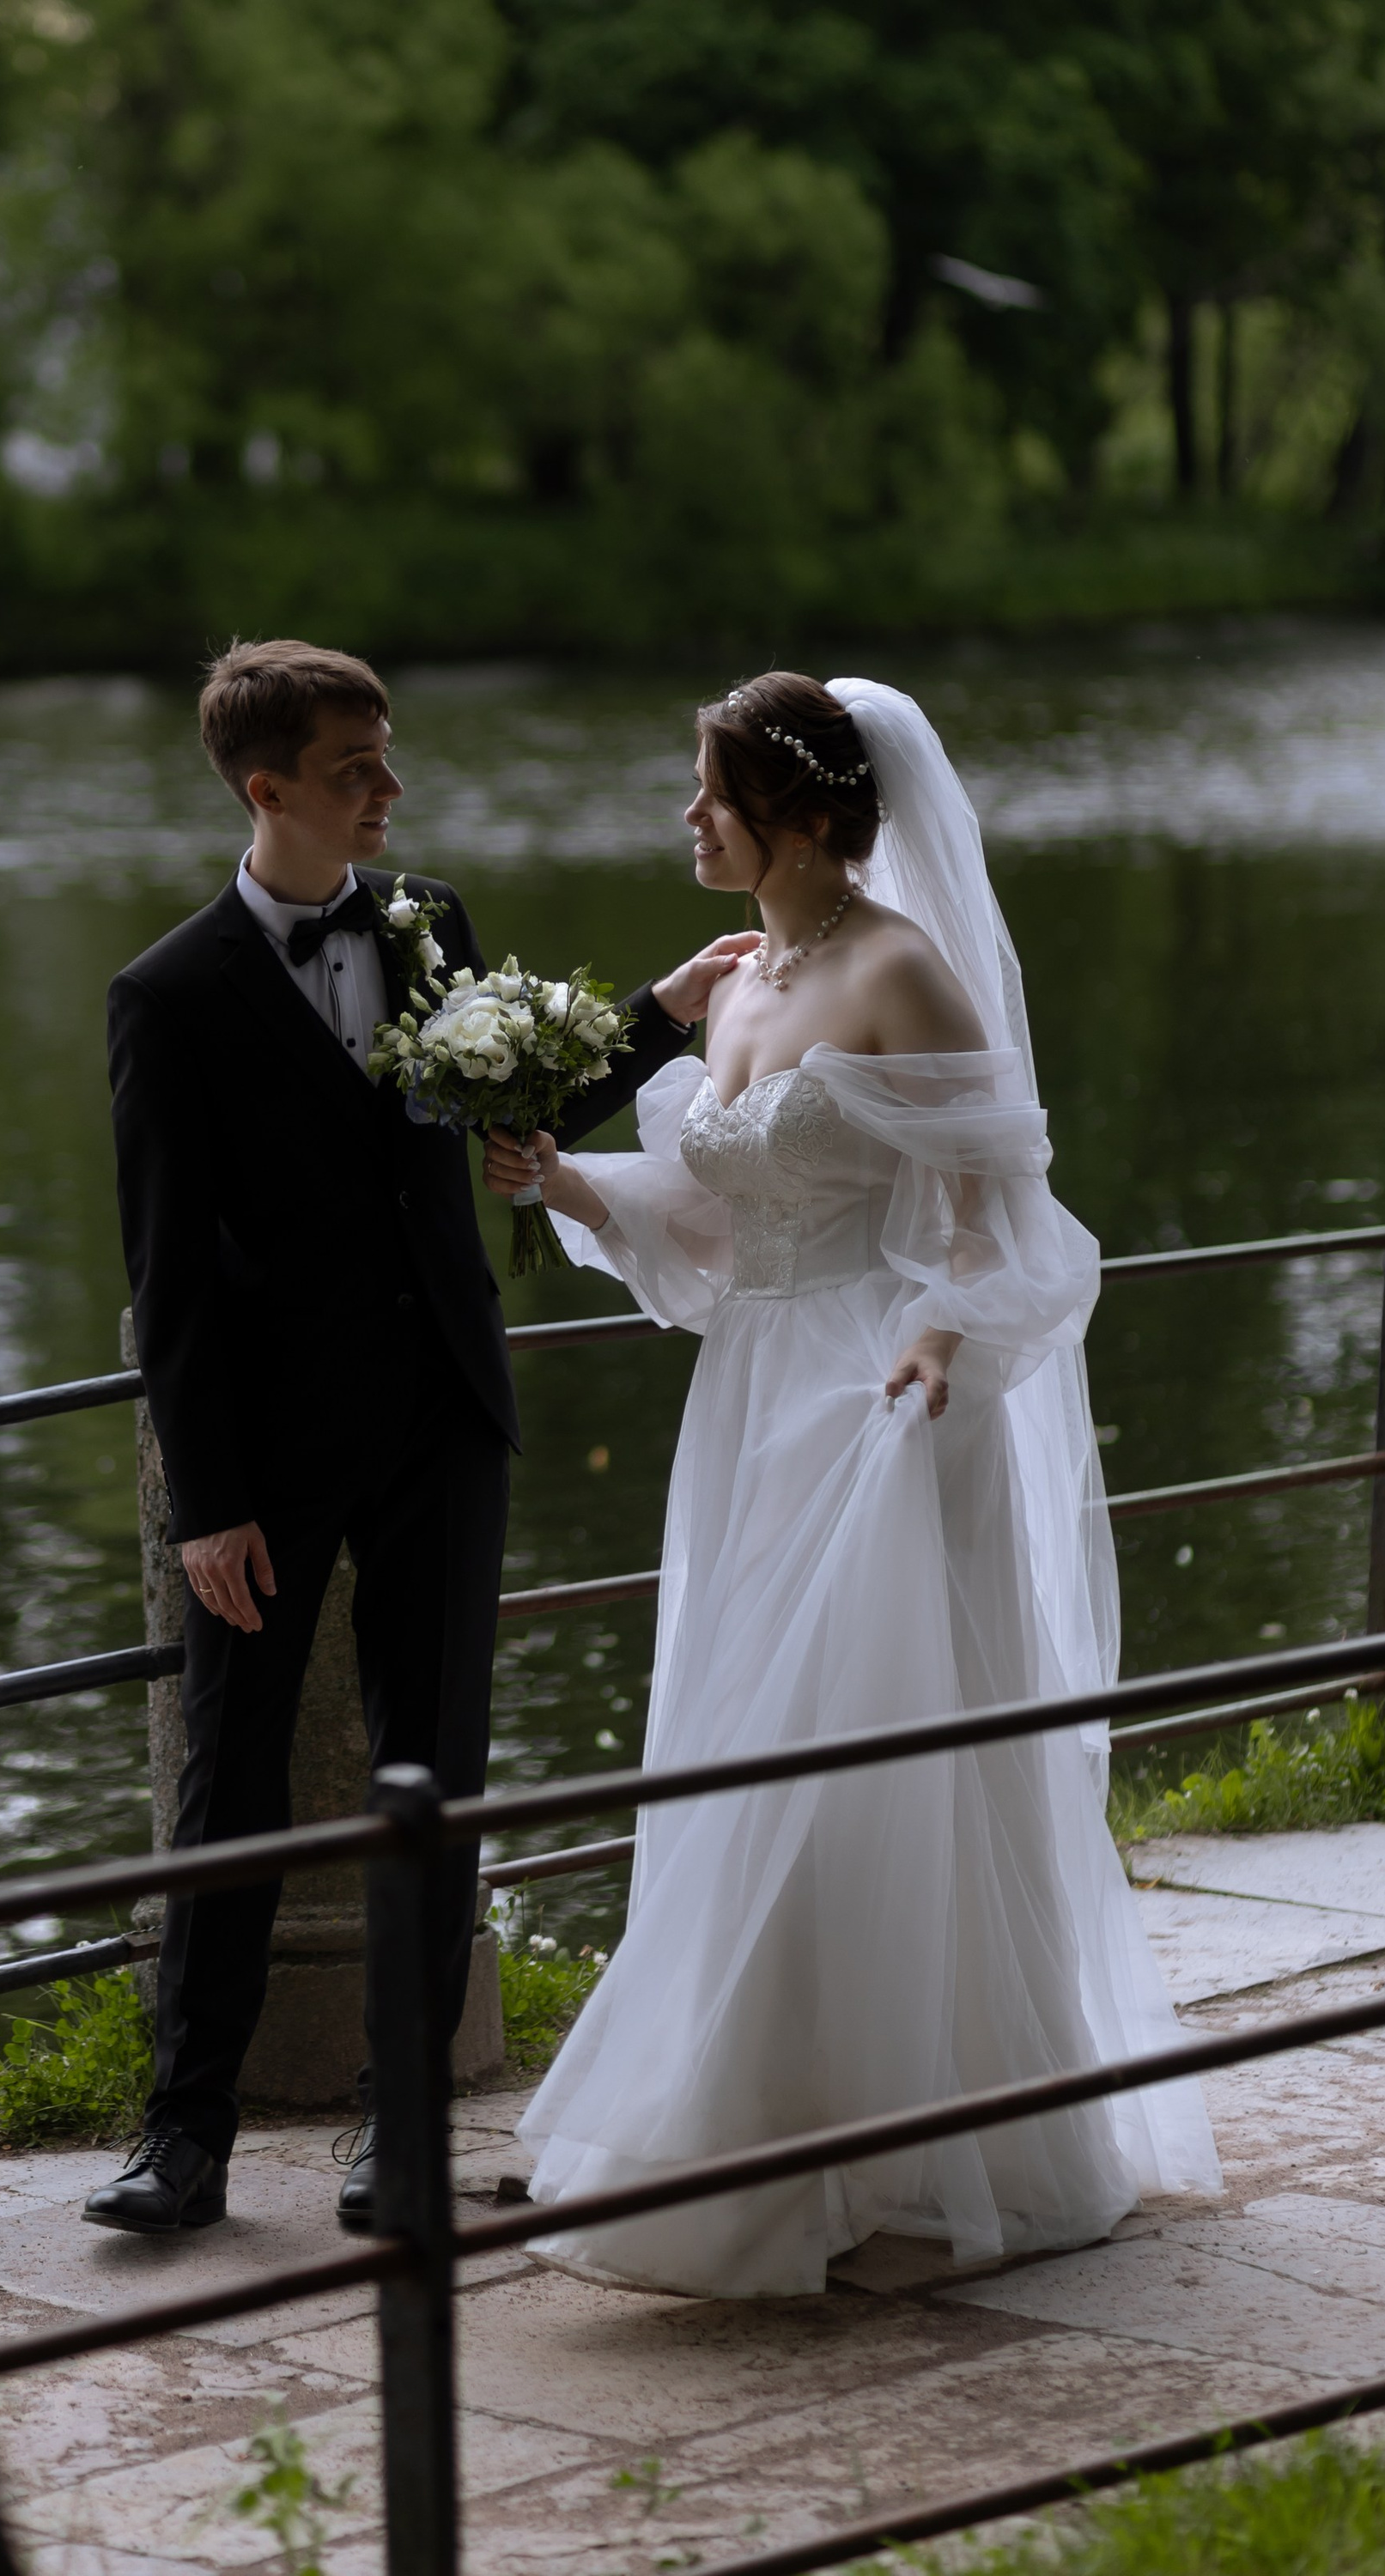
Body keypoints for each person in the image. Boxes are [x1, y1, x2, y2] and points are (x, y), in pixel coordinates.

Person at [482, 671, 1221, 2299]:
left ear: (806, 814)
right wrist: (572, 1189)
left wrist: (948, 1341)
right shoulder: (745, 982)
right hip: (750, 1395)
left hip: (877, 1395)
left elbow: (997, 1216)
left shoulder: (903, 970)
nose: (689, 819)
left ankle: (935, 2146)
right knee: (740, 1740)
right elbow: (718, 1215)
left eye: (713, 793)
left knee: (867, 1753)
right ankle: (763, 2123)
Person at [84, 639, 751, 2237]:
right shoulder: (166, 1000)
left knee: (431, 1776)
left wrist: (659, 1013)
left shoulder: (426, 921)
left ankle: (400, 2125)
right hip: (271, 1457)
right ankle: (185, 2137)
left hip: (444, 1417)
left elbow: (519, 1105)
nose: (390, 790)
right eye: (354, 769)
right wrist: (207, 1499)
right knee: (229, 1785)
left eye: (387, 759)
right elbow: (165, 1276)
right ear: (268, 791)